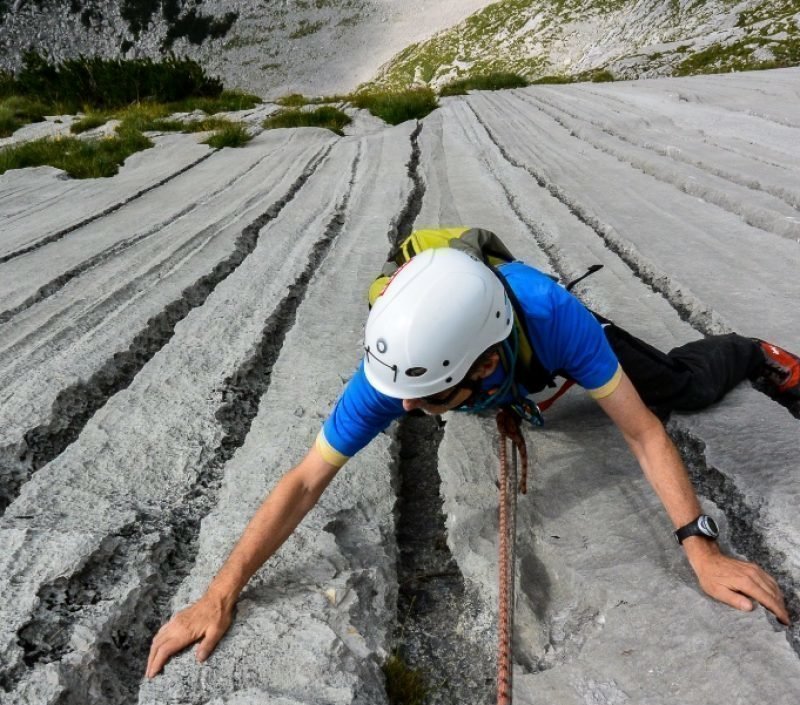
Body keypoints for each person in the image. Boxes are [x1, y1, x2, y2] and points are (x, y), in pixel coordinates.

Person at [146, 231, 796, 679]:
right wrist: (220, 593)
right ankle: (503, 397)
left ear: (485, 363)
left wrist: (700, 548)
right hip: (493, 364)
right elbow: (306, 479)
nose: (403, 411)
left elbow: (644, 432)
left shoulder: (554, 316)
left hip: (534, 340)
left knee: (682, 388)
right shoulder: (391, 376)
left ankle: (752, 352)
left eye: (426, 397)